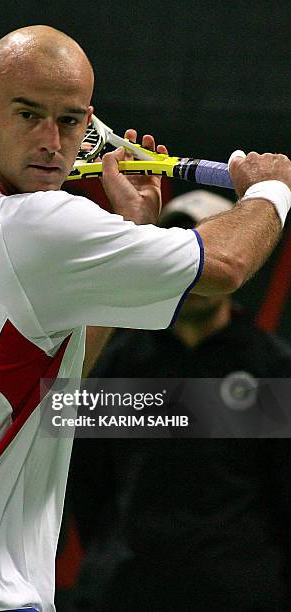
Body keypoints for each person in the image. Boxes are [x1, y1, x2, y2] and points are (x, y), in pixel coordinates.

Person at [0, 24, 291, 612]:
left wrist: (134, 232)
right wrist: (270, 192)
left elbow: (50, 386)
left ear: (89, 124)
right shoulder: (33, 227)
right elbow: (226, 262)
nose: (50, 141)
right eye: (28, 114)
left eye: (68, 122)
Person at [69, 190, 291, 611]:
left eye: (206, 255)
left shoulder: (273, 369)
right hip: (123, 593)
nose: (195, 275)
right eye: (186, 256)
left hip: (240, 595)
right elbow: (88, 482)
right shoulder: (114, 365)